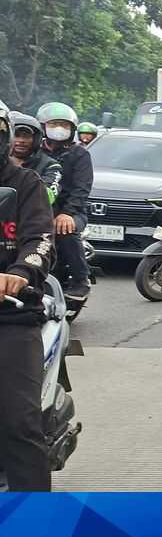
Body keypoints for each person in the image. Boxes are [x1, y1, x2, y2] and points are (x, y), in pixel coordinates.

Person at [0, 104, 55, 491]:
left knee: (19, 423)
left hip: (11, 316)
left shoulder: (25, 183)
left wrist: (19, 273)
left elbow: (40, 239)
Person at [37, 102, 93, 301]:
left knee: (65, 230)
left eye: (64, 125)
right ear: (43, 127)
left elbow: (81, 189)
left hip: (70, 211)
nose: (59, 129)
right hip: (36, 210)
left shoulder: (80, 155)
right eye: (54, 124)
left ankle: (80, 279)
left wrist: (67, 213)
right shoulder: (35, 153)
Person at [8, 111, 63, 204]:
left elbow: (48, 196)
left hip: (34, 215)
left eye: (26, 136)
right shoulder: (2, 162)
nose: (21, 141)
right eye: (16, 136)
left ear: (36, 140)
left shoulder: (51, 166)